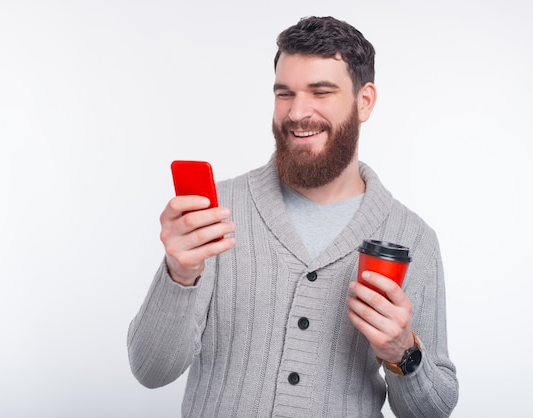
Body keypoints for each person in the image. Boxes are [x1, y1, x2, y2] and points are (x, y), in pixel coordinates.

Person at [128, 16, 458, 417]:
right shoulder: (216, 213)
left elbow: (434, 409)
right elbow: (150, 370)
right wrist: (178, 275)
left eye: (321, 92)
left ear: (364, 101)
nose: (297, 112)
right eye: (285, 93)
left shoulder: (413, 237)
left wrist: (403, 353)